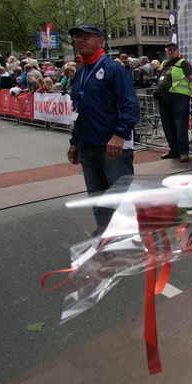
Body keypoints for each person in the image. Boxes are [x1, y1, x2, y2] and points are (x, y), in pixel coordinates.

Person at [66, 23, 140, 234]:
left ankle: (128, 237)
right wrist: (75, 142)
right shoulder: (80, 73)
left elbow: (130, 106)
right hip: (88, 146)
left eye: (86, 36)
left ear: (100, 41)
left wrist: (119, 135)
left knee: (120, 198)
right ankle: (105, 234)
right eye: (78, 37)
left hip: (112, 147)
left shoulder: (114, 69)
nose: (80, 40)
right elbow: (78, 110)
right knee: (97, 197)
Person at [155, 42, 192, 163]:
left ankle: (183, 152)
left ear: (177, 51)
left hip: (179, 98)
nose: (172, 51)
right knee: (167, 125)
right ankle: (173, 150)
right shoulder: (164, 64)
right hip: (164, 98)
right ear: (166, 51)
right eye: (169, 49)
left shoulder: (183, 63)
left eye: (174, 49)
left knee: (180, 125)